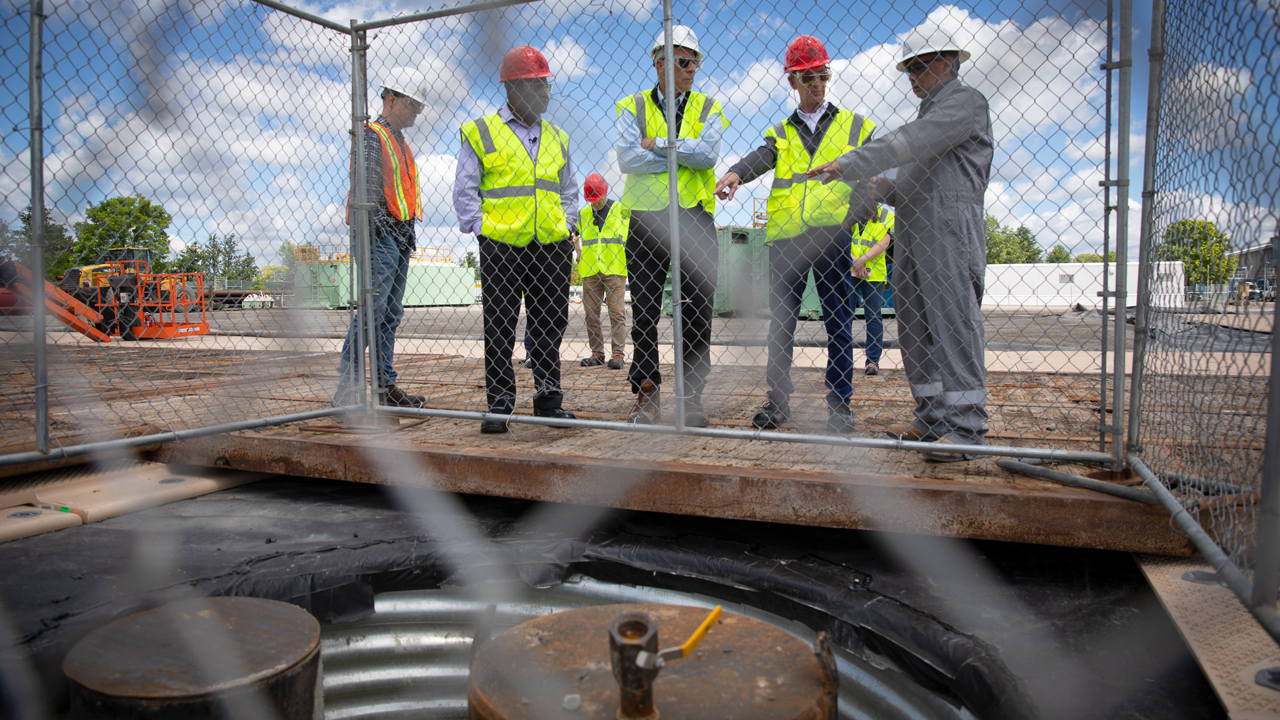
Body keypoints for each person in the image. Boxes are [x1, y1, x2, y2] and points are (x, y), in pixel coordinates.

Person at [808, 27, 992, 461]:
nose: (911, 75)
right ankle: (931, 418)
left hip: (949, 226)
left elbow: (910, 144)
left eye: (920, 65)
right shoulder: (929, 115)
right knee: (915, 327)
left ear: (948, 62)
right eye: (908, 67)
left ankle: (966, 429)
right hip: (913, 229)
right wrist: (883, 189)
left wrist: (851, 162)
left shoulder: (964, 103)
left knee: (951, 323)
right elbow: (914, 179)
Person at [715, 35, 875, 435]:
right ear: (792, 83)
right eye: (808, 78)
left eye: (822, 75)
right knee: (781, 324)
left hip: (830, 237)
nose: (817, 84)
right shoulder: (782, 132)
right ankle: (779, 401)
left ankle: (839, 406)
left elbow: (871, 181)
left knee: (838, 321)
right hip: (787, 240)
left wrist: (850, 219)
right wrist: (736, 171)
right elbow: (762, 156)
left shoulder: (855, 126)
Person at [454, 46, 579, 434]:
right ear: (512, 90)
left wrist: (568, 225)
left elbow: (569, 191)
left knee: (549, 326)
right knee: (500, 327)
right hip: (501, 247)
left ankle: (548, 401)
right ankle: (501, 406)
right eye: (537, 86)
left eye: (546, 86)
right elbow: (465, 190)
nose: (545, 94)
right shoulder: (482, 132)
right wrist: (483, 231)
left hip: (551, 247)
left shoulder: (558, 137)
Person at [615, 25, 728, 426]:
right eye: (683, 61)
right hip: (646, 220)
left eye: (695, 61)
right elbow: (628, 159)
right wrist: (683, 151)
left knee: (697, 310)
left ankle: (690, 397)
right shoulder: (632, 106)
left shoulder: (708, 107)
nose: (692, 69)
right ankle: (647, 392)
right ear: (660, 64)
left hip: (694, 217)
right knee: (645, 311)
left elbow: (709, 156)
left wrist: (659, 144)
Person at [334, 68, 429, 410]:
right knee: (373, 311)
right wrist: (383, 232)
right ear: (392, 99)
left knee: (389, 312)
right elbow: (367, 189)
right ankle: (346, 392)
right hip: (380, 235)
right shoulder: (373, 135)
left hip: (399, 235)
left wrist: (405, 236)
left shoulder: (400, 142)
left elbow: (400, 193)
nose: (417, 113)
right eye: (413, 105)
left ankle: (384, 386)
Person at [573, 173, 629, 370]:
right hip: (589, 270)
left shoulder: (621, 210)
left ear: (605, 193)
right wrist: (578, 251)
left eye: (597, 200)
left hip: (614, 268)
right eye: (592, 201)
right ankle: (597, 353)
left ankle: (618, 355)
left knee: (617, 313)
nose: (595, 204)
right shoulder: (582, 214)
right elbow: (574, 235)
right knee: (591, 314)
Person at [850, 205, 894, 376]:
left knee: (873, 315)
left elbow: (885, 241)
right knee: (845, 315)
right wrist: (854, 262)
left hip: (873, 274)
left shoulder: (885, 215)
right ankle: (842, 359)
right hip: (850, 270)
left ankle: (872, 361)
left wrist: (862, 261)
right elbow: (838, 239)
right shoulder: (847, 209)